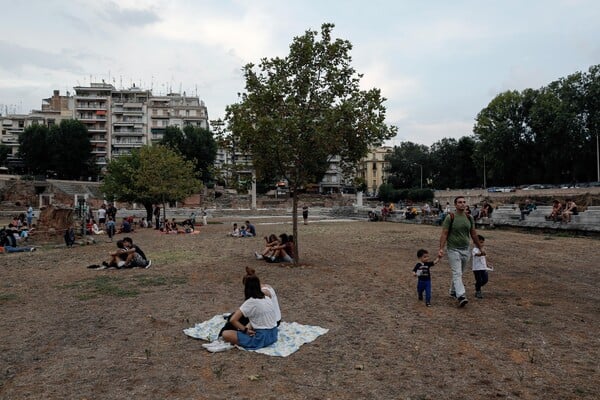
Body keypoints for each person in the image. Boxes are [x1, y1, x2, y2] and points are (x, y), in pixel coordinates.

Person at [212, 267, 279, 352]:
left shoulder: (250, 302)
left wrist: (245, 330)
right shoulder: (267, 298)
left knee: (226, 333)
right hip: (273, 335)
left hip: (260, 339)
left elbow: (233, 320)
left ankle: (221, 340)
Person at [438, 196, 485, 308]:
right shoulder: (450, 217)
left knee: (459, 272)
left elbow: (473, 234)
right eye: (460, 202)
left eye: (464, 202)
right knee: (457, 272)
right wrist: (441, 248)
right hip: (453, 249)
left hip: (465, 250)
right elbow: (444, 233)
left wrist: (480, 248)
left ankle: (453, 291)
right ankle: (461, 296)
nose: (462, 204)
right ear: (455, 205)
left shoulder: (469, 218)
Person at [472, 234, 492, 299]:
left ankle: (477, 286)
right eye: (480, 242)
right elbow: (477, 254)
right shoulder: (475, 249)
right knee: (479, 280)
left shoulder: (483, 249)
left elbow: (484, 258)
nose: (481, 244)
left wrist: (487, 264)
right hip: (477, 268)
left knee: (485, 279)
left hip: (483, 267)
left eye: (482, 242)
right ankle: (478, 291)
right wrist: (481, 253)